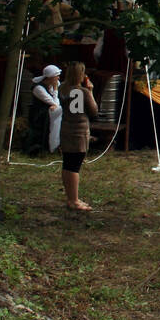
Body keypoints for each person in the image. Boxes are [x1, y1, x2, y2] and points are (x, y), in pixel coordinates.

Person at [58, 62, 98, 212]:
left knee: (67, 164)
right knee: (74, 166)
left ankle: (71, 197)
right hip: (79, 131)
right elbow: (94, 111)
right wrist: (91, 91)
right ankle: (74, 200)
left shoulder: (62, 88)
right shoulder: (83, 92)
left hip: (66, 127)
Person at [28, 64, 63, 156]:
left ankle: (57, 144)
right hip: (40, 113)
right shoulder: (38, 88)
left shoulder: (55, 84)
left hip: (50, 111)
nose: (58, 78)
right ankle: (53, 146)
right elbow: (54, 103)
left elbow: (57, 103)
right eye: (57, 76)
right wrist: (55, 90)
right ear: (50, 77)